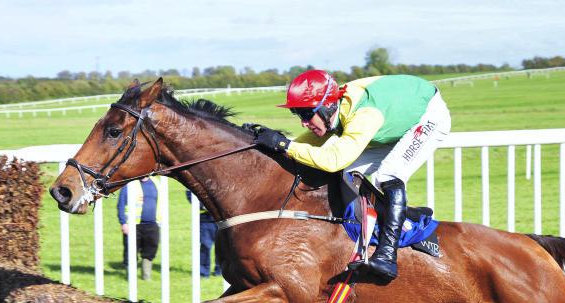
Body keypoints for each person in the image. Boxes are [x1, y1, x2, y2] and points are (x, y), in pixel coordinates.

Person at [253, 70, 451, 281]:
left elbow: (333, 160)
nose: (303, 122)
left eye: (306, 114)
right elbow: (307, 144)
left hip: (428, 117)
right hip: (397, 114)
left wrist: (284, 145)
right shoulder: (335, 110)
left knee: (388, 174)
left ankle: (387, 255)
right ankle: (405, 218)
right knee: (350, 172)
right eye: (298, 114)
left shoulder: (363, 116)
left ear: (327, 107)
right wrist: (269, 143)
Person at [117, 176, 160, 280]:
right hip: (133, 225)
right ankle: (130, 277)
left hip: (153, 224)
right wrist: (123, 223)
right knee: (130, 252)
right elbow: (121, 204)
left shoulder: (156, 182)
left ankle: (146, 276)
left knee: (150, 251)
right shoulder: (129, 184)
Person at [186, 190, 222, 278]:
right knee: (205, 246)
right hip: (205, 219)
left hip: (221, 218)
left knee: (222, 247)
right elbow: (189, 192)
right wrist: (203, 205)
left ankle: (220, 271)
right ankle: (203, 272)